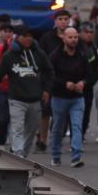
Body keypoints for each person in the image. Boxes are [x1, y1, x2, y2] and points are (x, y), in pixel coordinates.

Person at [0, 26, 53, 158]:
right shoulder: (9, 56)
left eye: (30, 36)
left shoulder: (38, 54)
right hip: (16, 99)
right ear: (18, 37)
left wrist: (46, 90)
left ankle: (23, 156)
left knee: (31, 130)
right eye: (24, 36)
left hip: (35, 99)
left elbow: (49, 71)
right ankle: (17, 155)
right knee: (17, 129)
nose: (28, 38)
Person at [48, 27, 88, 167]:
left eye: (76, 37)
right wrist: (65, 84)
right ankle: (55, 155)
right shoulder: (55, 56)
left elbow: (89, 74)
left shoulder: (82, 54)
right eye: (70, 37)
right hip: (60, 97)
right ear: (63, 38)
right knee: (58, 127)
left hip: (77, 97)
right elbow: (50, 76)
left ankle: (76, 156)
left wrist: (83, 82)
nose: (73, 40)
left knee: (77, 126)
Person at [36, 9, 70, 151]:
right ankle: (42, 139)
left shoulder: (72, 36)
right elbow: (40, 55)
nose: (63, 22)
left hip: (66, 79)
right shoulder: (47, 37)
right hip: (49, 78)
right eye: (60, 19)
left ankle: (56, 138)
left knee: (62, 112)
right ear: (55, 21)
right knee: (45, 110)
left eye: (65, 19)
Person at [78, 22, 98, 141]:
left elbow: (96, 66)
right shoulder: (76, 47)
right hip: (76, 86)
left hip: (88, 86)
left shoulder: (92, 48)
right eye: (86, 32)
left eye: (91, 32)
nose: (89, 35)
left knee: (86, 111)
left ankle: (81, 134)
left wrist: (91, 81)